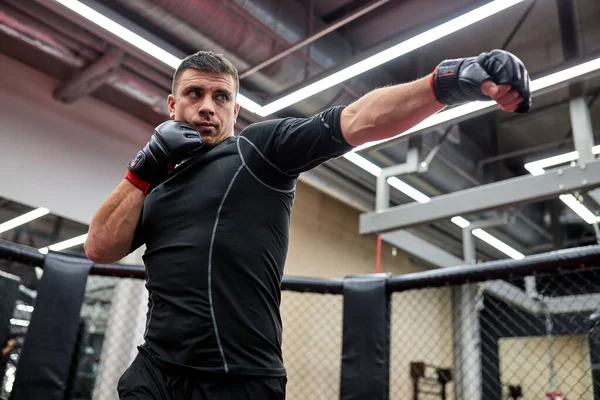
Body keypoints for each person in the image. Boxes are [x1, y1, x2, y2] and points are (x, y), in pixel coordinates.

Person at [84, 49, 531, 399]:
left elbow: (356, 120)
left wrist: (447, 81)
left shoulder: (257, 151)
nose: (207, 107)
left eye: (221, 97)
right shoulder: (152, 184)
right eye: (194, 94)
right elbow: (99, 248)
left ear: (235, 111)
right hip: (156, 372)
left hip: (238, 380)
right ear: (171, 104)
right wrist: (143, 168)